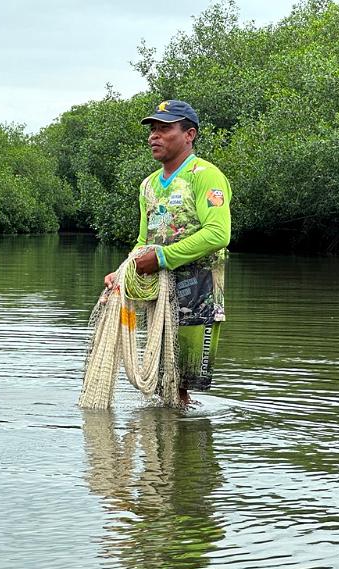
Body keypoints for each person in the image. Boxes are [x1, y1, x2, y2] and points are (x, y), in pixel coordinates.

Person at [104, 100, 232, 406]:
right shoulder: (147, 185)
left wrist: (162, 258)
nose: (154, 136)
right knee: (163, 386)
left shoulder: (205, 176)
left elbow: (218, 233)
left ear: (189, 134)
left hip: (198, 291)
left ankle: (185, 448)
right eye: (152, 129)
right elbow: (142, 240)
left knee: (181, 387)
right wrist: (123, 271)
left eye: (164, 129)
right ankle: (164, 444)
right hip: (158, 294)